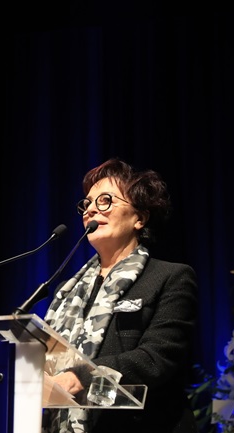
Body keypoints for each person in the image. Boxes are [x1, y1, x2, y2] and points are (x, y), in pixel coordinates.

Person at [42, 158, 198, 433]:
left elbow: (156, 358)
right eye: (87, 203)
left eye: (105, 200)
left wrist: (82, 375)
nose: (91, 209)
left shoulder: (170, 277)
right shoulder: (66, 292)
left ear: (140, 218)